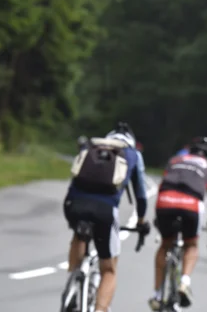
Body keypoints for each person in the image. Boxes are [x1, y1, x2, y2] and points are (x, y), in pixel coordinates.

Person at [63, 122, 150, 312]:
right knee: (109, 270)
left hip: (73, 205)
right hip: (104, 211)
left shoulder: (92, 147)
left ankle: (73, 282)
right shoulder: (133, 154)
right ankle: (100, 309)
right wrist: (141, 222)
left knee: (79, 235)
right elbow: (141, 196)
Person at [150, 136, 207, 310]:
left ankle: (157, 294)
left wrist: (157, 216)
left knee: (165, 245)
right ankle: (184, 282)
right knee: (191, 245)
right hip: (191, 205)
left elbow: (162, 185)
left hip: (164, 201)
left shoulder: (175, 159)